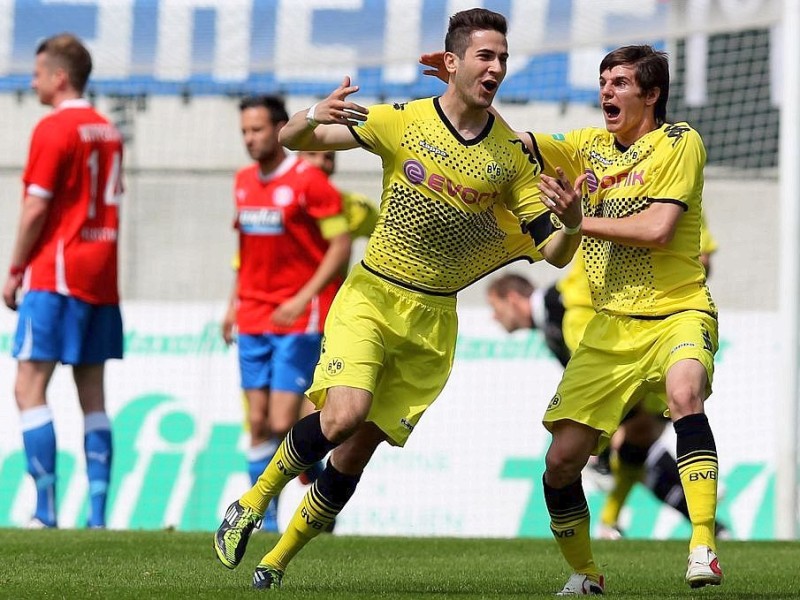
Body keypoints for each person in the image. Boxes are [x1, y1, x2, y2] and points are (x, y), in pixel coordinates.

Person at [213, 8, 583, 590]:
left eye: (504, 59)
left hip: (433, 319)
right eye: (486, 56)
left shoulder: (510, 155)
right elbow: (291, 139)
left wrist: (575, 218)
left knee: (356, 452)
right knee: (343, 414)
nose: (496, 69)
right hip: (374, 294)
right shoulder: (403, 121)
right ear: (453, 62)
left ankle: (276, 561)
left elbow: (556, 252)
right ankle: (252, 502)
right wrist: (312, 114)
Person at [2, 33, 124, 529]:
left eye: (36, 73)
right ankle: (97, 516)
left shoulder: (54, 129)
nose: (32, 82)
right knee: (91, 392)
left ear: (60, 76)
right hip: (101, 277)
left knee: (29, 387)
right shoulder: (109, 130)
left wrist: (14, 268)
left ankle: (46, 510)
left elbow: (36, 205)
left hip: (56, 273)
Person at [220, 95, 352, 533]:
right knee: (257, 422)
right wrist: (232, 305)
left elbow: (340, 244)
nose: (249, 139)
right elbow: (245, 251)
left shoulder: (310, 183)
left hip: (298, 316)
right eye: (243, 132)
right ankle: (265, 517)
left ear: (279, 129)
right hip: (254, 315)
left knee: (281, 420)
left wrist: (303, 297)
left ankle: (317, 488)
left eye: (256, 130)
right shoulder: (242, 182)